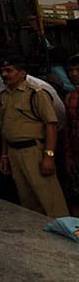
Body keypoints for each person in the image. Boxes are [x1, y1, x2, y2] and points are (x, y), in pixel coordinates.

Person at [0, 55, 68, 218]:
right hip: (14, 152)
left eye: (9, 70)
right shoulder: (4, 94)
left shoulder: (36, 92)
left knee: (50, 200)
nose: (5, 74)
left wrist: (49, 156)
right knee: (28, 201)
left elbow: (51, 124)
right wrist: (4, 155)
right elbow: (6, 127)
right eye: (2, 71)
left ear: (22, 73)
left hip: (34, 151)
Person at [64, 55, 79, 211]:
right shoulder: (70, 97)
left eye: (77, 70)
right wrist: (68, 156)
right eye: (71, 70)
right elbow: (68, 129)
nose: (74, 74)